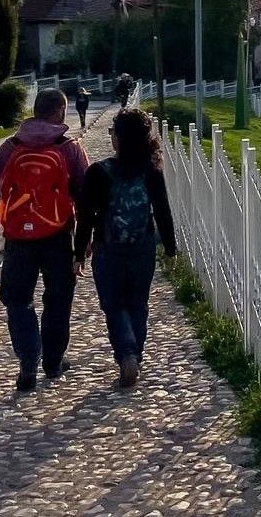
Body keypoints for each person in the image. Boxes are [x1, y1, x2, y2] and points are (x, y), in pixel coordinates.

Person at [0, 89, 89, 392]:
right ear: (60, 112)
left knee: (17, 300)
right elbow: (85, 194)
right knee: (58, 299)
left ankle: (28, 361)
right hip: (57, 235)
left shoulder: (10, 147)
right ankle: (53, 361)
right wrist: (86, 241)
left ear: (35, 110)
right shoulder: (69, 148)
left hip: (17, 240)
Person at [75, 109, 177, 387]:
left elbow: (85, 216)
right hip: (142, 248)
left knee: (114, 305)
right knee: (137, 304)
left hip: (108, 249)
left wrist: (78, 252)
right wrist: (170, 247)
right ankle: (136, 355)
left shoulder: (98, 172)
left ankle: (126, 353)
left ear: (118, 138)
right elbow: (163, 212)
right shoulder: (151, 171)